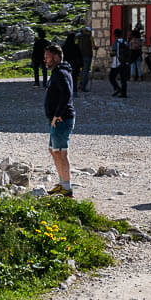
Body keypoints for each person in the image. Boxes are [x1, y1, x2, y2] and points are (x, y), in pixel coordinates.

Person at [42, 42, 75, 197]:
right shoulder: (58, 71)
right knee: (53, 150)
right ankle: (62, 183)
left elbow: (67, 94)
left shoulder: (61, 73)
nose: (45, 60)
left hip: (62, 119)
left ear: (56, 57)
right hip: (57, 119)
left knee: (61, 152)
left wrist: (57, 114)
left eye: (47, 57)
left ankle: (67, 188)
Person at [109, 28, 131, 98]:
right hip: (124, 62)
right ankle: (124, 93)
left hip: (117, 62)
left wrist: (110, 54)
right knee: (123, 79)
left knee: (111, 77)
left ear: (115, 35)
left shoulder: (116, 42)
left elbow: (114, 53)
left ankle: (117, 89)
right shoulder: (125, 42)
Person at [78, 27, 95, 92]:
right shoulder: (90, 38)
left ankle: (79, 84)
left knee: (80, 71)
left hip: (80, 56)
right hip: (88, 56)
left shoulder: (79, 37)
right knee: (86, 71)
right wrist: (96, 48)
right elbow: (93, 46)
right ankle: (83, 87)